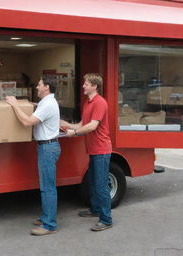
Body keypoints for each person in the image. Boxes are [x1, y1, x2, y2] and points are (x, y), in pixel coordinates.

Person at [6, 76, 61, 236]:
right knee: (46, 186)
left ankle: (50, 225)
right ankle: (46, 217)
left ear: (47, 87)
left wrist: (16, 105)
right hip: (47, 147)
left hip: (48, 148)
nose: (37, 87)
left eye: (39, 84)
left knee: (48, 188)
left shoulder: (49, 104)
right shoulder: (45, 102)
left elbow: (28, 122)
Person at [60, 73, 112, 231]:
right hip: (93, 149)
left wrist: (74, 133)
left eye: (86, 84)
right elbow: (83, 124)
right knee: (92, 181)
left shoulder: (100, 103)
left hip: (101, 150)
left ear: (95, 86)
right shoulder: (88, 102)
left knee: (101, 185)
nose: (83, 86)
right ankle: (95, 209)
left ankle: (106, 219)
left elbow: (92, 126)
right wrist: (66, 124)